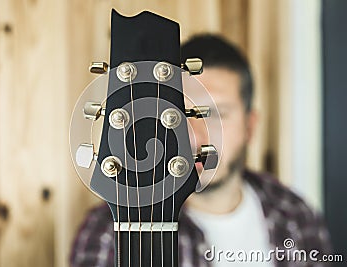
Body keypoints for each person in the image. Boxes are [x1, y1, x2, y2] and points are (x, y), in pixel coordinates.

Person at [70, 34, 332, 267]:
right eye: (181, 114)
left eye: (218, 114)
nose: (195, 135)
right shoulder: (111, 232)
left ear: (250, 127)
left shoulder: (296, 216)